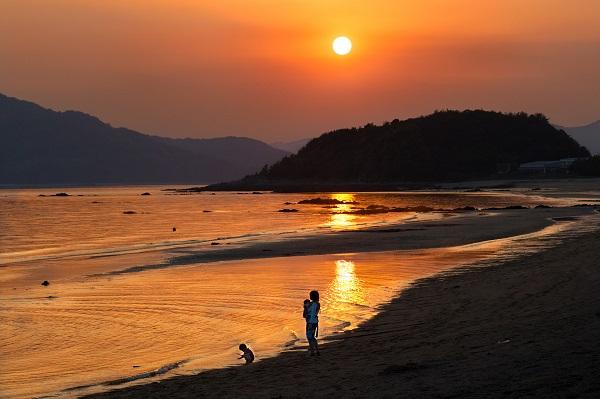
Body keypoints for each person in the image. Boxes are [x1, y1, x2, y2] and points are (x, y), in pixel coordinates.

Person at [305, 290, 320, 356]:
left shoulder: (311, 304)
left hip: (310, 322)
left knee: (309, 337)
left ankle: (312, 351)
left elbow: (306, 313)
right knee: (312, 337)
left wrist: (305, 306)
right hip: (315, 322)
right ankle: (316, 350)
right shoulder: (318, 304)